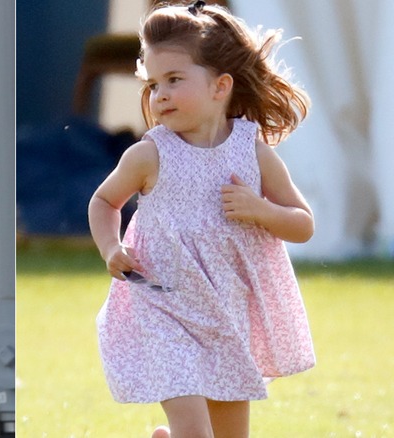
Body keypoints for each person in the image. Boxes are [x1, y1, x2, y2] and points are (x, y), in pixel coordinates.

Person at [87, 2, 316, 437]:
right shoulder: (149, 154)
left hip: (227, 313)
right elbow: (104, 202)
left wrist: (262, 211)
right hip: (162, 303)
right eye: (153, 84)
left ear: (220, 86)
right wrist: (111, 247)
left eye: (174, 80)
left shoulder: (253, 153)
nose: (161, 95)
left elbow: (303, 223)